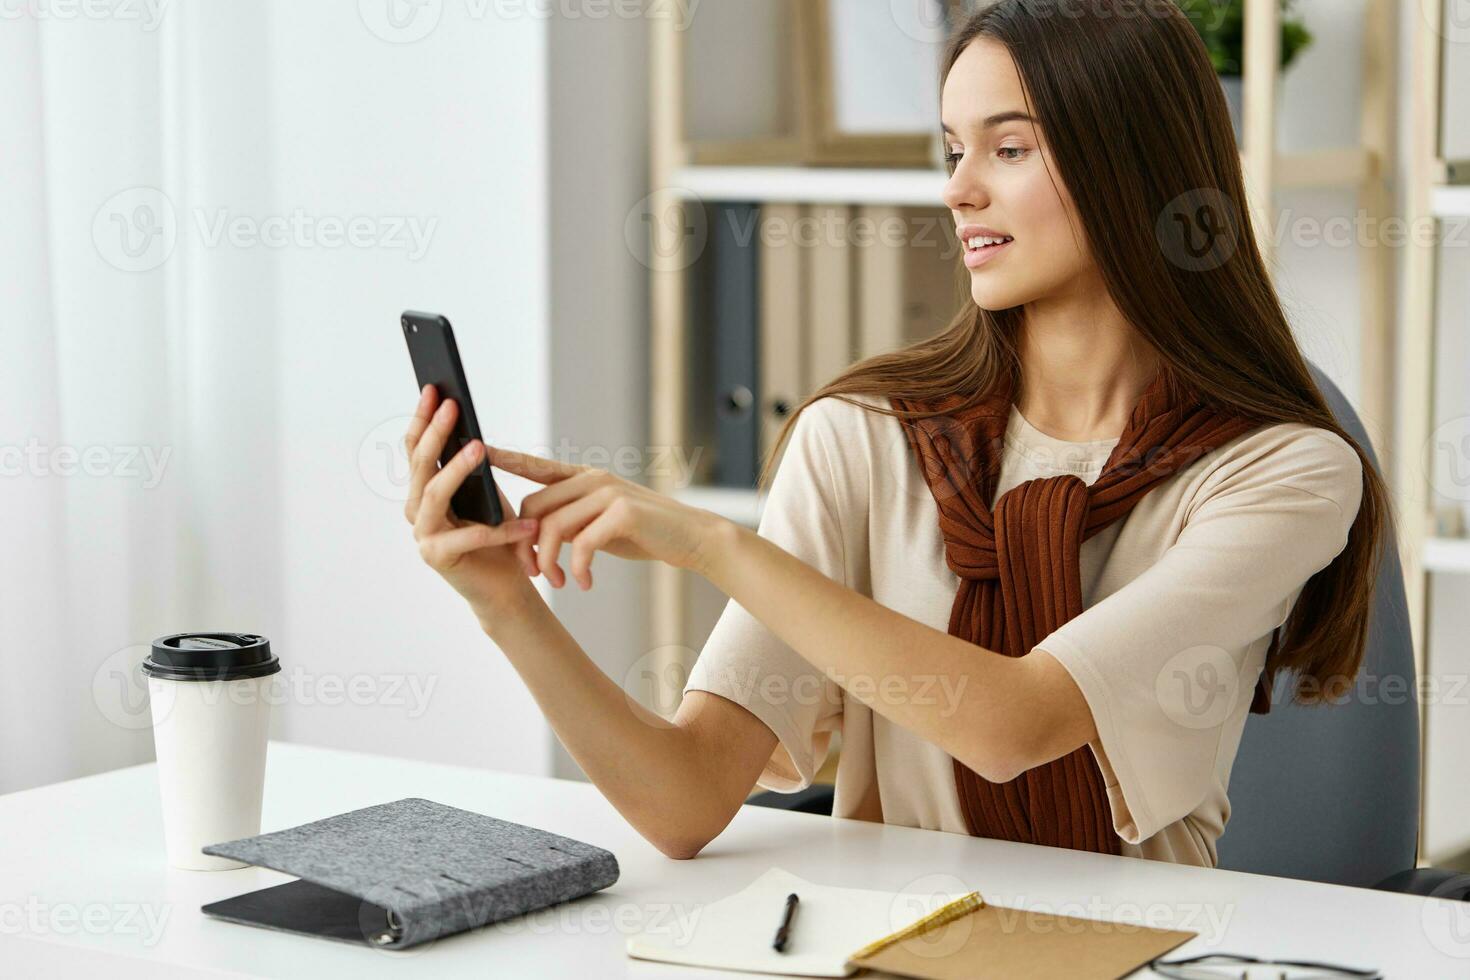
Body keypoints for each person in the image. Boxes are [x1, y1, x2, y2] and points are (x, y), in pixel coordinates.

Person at [400, 0, 1388, 867]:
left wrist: (712, 543)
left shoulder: (1282, 469)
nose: (959, 190)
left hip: (1146, 952)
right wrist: (506, 607)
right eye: (953, 150)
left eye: (1009, 148)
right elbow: (686, 797)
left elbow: (1017, 722)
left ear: (1136, 166)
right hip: (890, 941)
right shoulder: (865, 438)